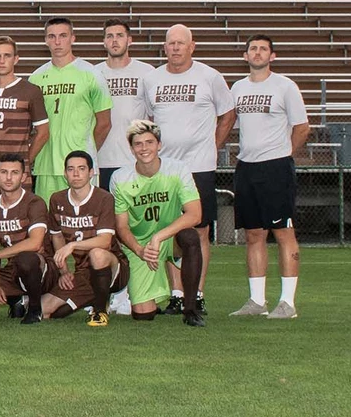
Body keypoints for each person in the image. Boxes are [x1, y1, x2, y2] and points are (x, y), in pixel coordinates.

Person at [139, 24, 233, 315]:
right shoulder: (152, 78)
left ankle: (198, 293)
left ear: (192, 46)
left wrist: (212, 146)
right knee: (167, 230)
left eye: (181, 43)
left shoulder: (210, 76)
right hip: (166, 168)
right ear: (164, 47)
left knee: (200, 231)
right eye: (171, 43)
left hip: (199, 167)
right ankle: (178, 294)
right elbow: (150, 118)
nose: (176, 48)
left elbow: (227, 114)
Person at [229, 35, 308, 319]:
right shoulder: (237, 87)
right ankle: (257, 301)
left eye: (263, 49)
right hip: (246, 167)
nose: (258, 53)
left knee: (283, 232)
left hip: (275, 167)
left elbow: (302, 127)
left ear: (272, 56)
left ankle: (287, 303)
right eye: (253, 48)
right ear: (245, 55)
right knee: (253, 234)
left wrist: (284, 154)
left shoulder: (285, 86)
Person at [110, 120, 206, 327]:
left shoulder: (177, 169)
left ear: (159, 145)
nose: (144, 148)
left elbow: (195, 214)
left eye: (149, 142)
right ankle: (153, 294)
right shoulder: (120, 177)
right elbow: (122, 227)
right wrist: (139, 250)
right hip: (140, 245)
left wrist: (159, 236)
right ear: (131, 148)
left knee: (190, 237)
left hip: (169, 238)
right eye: (138, 144)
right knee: (143, 315)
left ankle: (190, 309)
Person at [30, 18, 112, 203]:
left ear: (73, 38)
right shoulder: (36, 78)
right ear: (45, 40)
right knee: (49, 225)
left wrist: (86, 153)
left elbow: (104, 123)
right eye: (52, 36)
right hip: (47, 165)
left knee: (85, 222)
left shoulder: (91, 74)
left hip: (79, 168)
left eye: (63, 36)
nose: (57, 42)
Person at [42, 151, 126, 327]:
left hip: (112, 268)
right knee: (46, 311)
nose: (76, 174)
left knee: (97, 254)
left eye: (81, 169)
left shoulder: (103, 198)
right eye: (71, 169)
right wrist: (64, 272)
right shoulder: (57, 199)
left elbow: (105, 241)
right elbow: (56, 235)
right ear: (65, 174)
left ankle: (100, 311)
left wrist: (72, 245)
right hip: (84, 272)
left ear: (91, 172)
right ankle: (93, 297)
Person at [0, 37, 49, 207]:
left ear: (16, 59)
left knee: (19, 225)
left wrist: (24, 161)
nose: (2, 61)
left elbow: (43, 132)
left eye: (7, 56)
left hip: (16, 175)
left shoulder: (30, 91)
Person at [0, 154, 51, 324]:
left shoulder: (35, 203)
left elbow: (35, 243)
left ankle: (35, 309)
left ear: (24, 177)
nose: (9, 177)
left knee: (26, 259)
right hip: (12, 270)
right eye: (4, 172)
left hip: (43, 269)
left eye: (15, 172)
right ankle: (15, 300)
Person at [93, 19, 153, 191]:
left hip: (135, 160)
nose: (114, 40)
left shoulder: (146, 72)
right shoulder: (93, 73)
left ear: (129, 40)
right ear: (104, 42)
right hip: (102, 159)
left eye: (120, 35)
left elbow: (153, 117)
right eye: (109, 36)